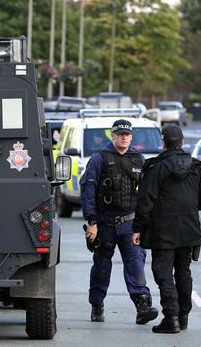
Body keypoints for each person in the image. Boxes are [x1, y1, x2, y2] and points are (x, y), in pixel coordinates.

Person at [132, 125, 201, 334]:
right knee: (183, 272)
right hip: (189, 229)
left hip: (163, 230)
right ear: (183, 143)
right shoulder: (196, 167)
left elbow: (145, 201)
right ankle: (183, 317)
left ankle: (172, 318)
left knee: (163, 273)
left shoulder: (156, 167)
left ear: (164, 144)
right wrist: (188, 208)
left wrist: (137, 229)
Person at [80, 119, 159, 324]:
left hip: (130, 223)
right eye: (120, 134)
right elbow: (88, 191)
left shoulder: (139, 159)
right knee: (101, 267)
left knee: (136, 264)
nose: (124, 137)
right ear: (112, 136)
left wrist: (145, 225)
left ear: (131, 137)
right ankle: (97, 305)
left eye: (127, 134)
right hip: (104, 223)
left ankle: (143, 306)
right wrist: (92, 221)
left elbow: (147, 195)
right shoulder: (99, 158)